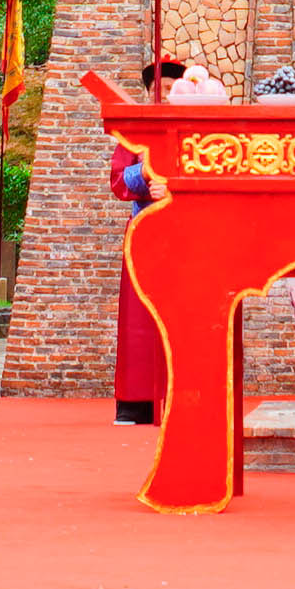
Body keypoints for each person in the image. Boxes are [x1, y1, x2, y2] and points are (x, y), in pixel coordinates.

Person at [108, 57, 184, 427]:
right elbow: (118, 180)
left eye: (171, 90)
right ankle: (136, 399)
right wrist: (148, 174)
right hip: (144, 229)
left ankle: (181, 394)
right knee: (139, 318)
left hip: (185, 232)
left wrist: (174, 186)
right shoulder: (134, 132)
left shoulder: (194, 128)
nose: (164, 96)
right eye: (158, 90)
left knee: (181, 316)